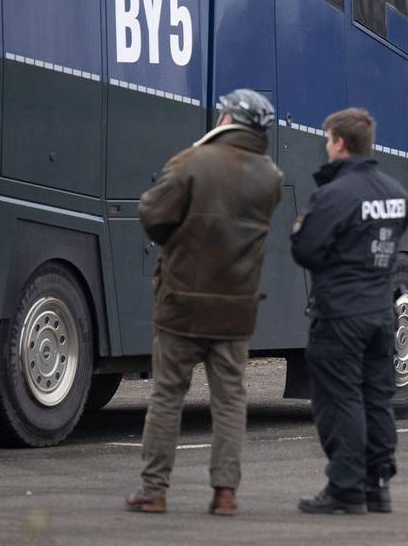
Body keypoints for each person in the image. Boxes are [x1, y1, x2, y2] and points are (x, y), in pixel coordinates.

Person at [124, 89, 283, 516]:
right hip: (236, 307)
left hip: (182, 304)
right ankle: (225, 494)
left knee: (167, 396)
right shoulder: (270, 177)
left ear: (228, 118)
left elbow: (153, 216)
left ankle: (154, 491)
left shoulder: (189, 163)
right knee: (230, 399)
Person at [291, 108, 408, 515]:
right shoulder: (394, 192)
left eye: (328, 140)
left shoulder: (335, 195)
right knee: (377, 397)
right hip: (380, 311)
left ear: (340, 143)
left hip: (340, 313)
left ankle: (345, 486)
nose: (327, 147)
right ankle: (378, 484)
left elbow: (305, 250)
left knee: (339, 398)